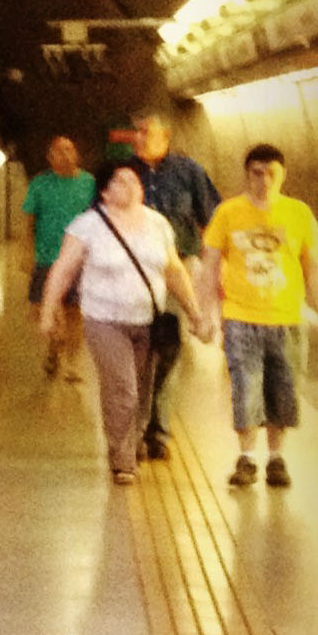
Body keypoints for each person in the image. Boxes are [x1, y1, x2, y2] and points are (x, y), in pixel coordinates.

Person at [40, 159, 211, 483]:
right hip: (104, 319)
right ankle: (123, 459)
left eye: (135, 181)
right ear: (105, 192)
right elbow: (63, 269)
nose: (131, 186)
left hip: (147, 320)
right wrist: (49, 310)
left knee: (142, 390)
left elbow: (174, 270)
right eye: (121, 181)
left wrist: (194, 311)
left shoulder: (158, 224)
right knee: (123, 388)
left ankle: (131, 440)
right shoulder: (87, 226)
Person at [201, 144, 318, 489]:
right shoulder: (228, 213)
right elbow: (210, 264)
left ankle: (276, 458)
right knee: (245, 387)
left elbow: (313, 264)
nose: (264, 181)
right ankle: (246, 458)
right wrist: (206, 314)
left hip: (287, 319)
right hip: (240, 317)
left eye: (271, 173)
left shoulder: (298, 213)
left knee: (284, 388)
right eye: (257, 173)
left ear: (283, 175)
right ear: (247, 175)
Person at [129, 107, 219, 460]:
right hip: (133, 273)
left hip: (177, 270)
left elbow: (212, 221)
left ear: (165, 136)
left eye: (146, 132)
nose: (138, 138)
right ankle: (134, 428)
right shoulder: (124, 173)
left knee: (168, 347)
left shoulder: (189, 172)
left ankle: (159, 428)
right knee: (137, 348)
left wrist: (213, 273)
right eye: (136, 132)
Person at [22, 136, 96, 381]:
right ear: (50, 157)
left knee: (74, 314)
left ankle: (71, 364)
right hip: (47, 259)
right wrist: (27, 253)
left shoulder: (89, 183)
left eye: (69, 149)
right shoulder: (40, 184)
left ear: (76, 154)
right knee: (44, 309)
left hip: (79, 260)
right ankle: (55, 346)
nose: (65, 155)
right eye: (59, 151)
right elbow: (29, 221)